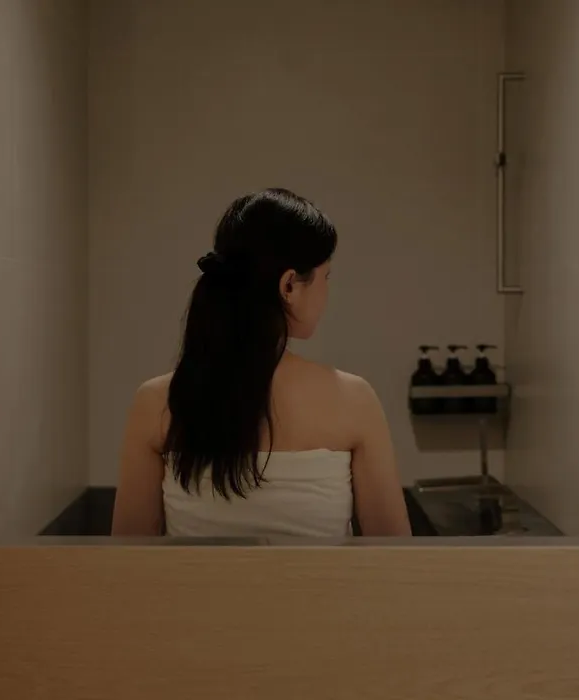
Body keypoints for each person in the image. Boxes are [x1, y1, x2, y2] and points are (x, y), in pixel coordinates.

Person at [111, 188, 411, 537]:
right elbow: (394, 553)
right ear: (289, 285)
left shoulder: (156, 402)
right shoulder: (353, 399)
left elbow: (128, 556)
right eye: (325, 276)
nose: (327, 290)